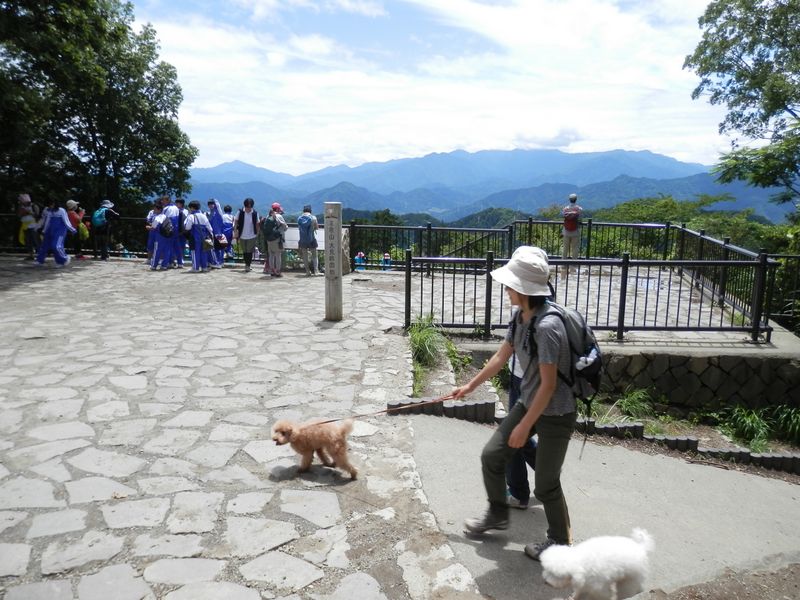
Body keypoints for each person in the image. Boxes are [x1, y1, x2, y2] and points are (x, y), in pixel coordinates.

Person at [453, 246, 576, 561]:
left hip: (557, 411)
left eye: (509, 284)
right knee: (492, 455)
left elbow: (549, 386)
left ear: (522, 289)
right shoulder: (521, 317)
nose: (506, 288)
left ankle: (560, 541)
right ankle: (497, 513)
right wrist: (470, 385)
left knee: (546, 485)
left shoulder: (548, 328)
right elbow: (501, 355)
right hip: (530, 400)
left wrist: (524, 425)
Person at [35, 199, 76, 266]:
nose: (50, 206)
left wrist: (72, 229)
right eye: (49, 205)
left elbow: (66, 221)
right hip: (49, 230)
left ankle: (64, 259)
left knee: (56, 246)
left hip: (60, 231)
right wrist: (41, 229)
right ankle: (40, 260)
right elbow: (45, 220)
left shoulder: (61, 210)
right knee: (44, 246)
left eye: (52, 204)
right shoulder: (48, 210)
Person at [184, 200, 215, 272]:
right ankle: (204, 267)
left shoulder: (191, 216)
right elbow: (210, 228)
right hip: (204, 237)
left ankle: (195, 267)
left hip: (194, 237)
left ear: (192, 208)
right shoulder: (204, 216)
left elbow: (187, 227)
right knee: (203, 252)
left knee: (194, 252)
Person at [233, 198, 259, 272]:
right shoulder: (240, 212)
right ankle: (247, 264)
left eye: (250, 207)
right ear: (245, 206)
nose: (248, 208)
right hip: (242, 235)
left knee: (249, 251)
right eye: (247, 207)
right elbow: (236, 221)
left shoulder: (255, 213)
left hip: (252, 235)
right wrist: (235, 231)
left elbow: (257, 223)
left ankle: (248, 265)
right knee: (245, 251)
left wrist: (257, 233)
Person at [262, 202, 288, 277]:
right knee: (278, 255)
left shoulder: (268, 216)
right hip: (277, 238)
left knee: (271, 255)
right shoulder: (279, 216)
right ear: (277, 209)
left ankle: (272, 270)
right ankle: (277, 271)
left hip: (269, 239)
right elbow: (285, 227)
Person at [146, 202, 172, 271]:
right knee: (166, 250)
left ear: (159, 210)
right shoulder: (166, 217)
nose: (154, 210)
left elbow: (153, 227)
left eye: (155, 209)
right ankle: (164, 265)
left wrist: (148, 227)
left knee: (157, 250)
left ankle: (154, 265)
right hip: (167, 235)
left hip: (160, 236)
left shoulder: (158, 217)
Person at [17, 193, 41, 259]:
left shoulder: (34, 206)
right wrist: (22, 213)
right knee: (28, 241)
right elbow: (19, 215)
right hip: (25, 225)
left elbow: (37, 215)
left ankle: (40, 254)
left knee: (35, 240)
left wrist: (29, 212)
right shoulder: (21, 207)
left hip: (33, 225)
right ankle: (31, 255)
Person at [297, 204, 319, 276]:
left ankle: (307, 271)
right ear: (310, 211)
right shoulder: (313, 218)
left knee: (305, 256)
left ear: (303, 211)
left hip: (303, 239)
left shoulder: (299, 218)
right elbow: (316, 228)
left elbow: (299, 228)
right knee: (314, 255)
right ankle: (316, 271)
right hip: (311, 239)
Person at [562, 193, 583, 259]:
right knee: (575, 248)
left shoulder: (565, 209)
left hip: (566, 231)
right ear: (576, 199)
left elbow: (563, 215)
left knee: (565, 247)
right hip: (575, 231)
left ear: (569, 200)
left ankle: (563, 263)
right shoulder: (579, 209)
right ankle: (574, 263)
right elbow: (580, 216)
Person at [206, 198, 224, 269]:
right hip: (212, 233)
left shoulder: (217, 212)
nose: (210, 205)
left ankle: (218, 262)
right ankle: (214, 262)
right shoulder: (210, 213)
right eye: (209, 204)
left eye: (212, 204)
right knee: (213, 248)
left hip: (218, 233)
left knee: (218, 249)